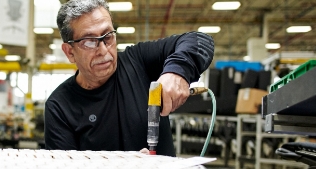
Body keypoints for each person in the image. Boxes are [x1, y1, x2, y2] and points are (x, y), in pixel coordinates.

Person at [44, 0, 214, 156]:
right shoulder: (59, 107)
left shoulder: (139, 62)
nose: (103, 50)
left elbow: (200, 40)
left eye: (108, 36)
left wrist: (178, 71)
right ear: (70, 52)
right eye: (89, 42)